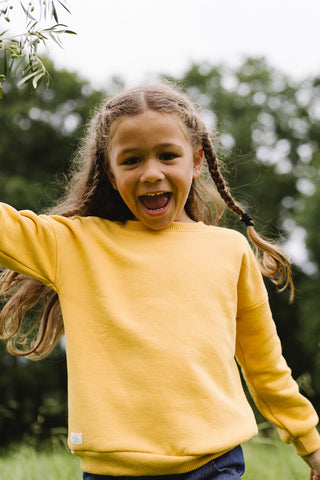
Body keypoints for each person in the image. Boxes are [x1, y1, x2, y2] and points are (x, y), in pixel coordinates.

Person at [0, 83, 320, 480]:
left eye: (168, 155)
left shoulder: (228, 251)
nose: (152, 173)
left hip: (213, 465)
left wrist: (310, 442)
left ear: (197, 160)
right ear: (111, 174)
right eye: (131, 160)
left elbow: (265, 365)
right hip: (111, 471)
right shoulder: (75, 244)